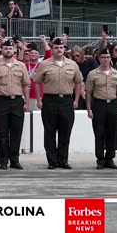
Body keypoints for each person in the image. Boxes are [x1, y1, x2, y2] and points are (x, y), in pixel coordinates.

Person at [34, 38, 83, 169]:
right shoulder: (44, 64)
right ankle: (52, 161)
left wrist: (76, 100)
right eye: (56, 48)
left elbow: (78, 82)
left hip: (66, 101)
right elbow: (37, 82)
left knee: (65, 132)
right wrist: (39, 99)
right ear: (52, 48)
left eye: (61, 48)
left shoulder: (72, 64)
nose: (59, 50)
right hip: (50, 100)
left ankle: (63, 160)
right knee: (49, 132)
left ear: (64, 49)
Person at [0, 40, 30, 170]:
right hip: (2, 100)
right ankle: (3, 161)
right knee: (2, 133)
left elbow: (26, 85)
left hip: (17, 101)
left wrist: (27, 102)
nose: (8, 50)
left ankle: (15, 160)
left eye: (10, 48)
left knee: (16, 132)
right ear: (2, 50)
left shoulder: (21, 66)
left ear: (14, 51)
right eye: (6, 48)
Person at [85, 48, 117, 169]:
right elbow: (89, 93)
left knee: (112, 132)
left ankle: (110, 158)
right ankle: (100, 159)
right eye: (103, 57)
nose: (105, 59)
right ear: (99, 58)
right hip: (99, 104)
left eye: (107, 57)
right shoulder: (93, 74)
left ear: (110, 58)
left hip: (112, 104)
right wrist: (89, 109)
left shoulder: (116, 74)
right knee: (99, 132)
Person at [71, 46, 99, 110]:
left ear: (81, 54)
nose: (75, 58)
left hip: (90, 90)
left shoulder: (90, 61)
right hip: (77, 91)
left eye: (77, 56)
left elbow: (96, 75)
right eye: (73, 56)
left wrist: (85, 89)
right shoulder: (72, 64)